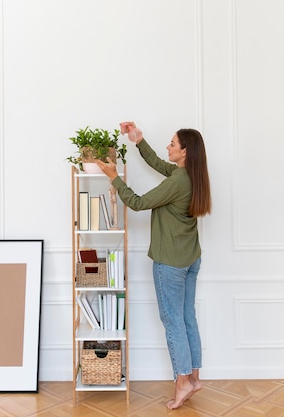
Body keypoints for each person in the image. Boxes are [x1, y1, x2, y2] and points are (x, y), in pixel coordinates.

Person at [96, 121, 212, 410]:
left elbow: (136, 202)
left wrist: (113, 177)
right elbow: (161, 164)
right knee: (187, 319)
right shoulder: (191, 175)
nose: (168, 147)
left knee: (173, 322)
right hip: (190, 258)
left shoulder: (177, 181)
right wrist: (138, 140)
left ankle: (183, 382)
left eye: (172, 144)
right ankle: (194, 376)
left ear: (185, 152)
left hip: (170, 263)